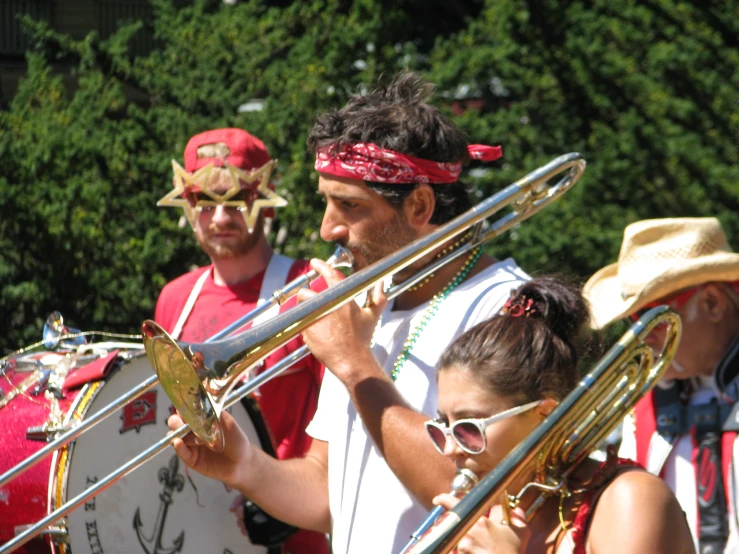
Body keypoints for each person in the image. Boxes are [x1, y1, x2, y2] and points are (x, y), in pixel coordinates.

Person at [167, 72, 530, 553]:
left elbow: (474, 498)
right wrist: (244, 465)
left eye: (348, 205)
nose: (326, 229)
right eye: (326, 202)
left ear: (419, 204)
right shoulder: (368, 307)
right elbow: (326, 489)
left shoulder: (509, 307)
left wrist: (354, 363)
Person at [155, 128, 329, 554]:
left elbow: (348, 429)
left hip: (292, 534)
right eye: (204, 202)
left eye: (236, 201)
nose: (219, 218)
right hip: (195, 530)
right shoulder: (174, 299)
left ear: (265, 204)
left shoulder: (310, 289)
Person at [431, 277, 695, 554]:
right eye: (442, 428)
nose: (450, 449)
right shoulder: (486, 519)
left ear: (544, 414)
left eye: (468, 428)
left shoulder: (629, 499)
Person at [583, 217, 739, 554]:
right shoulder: (640, 406)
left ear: (712, 302)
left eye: (654, 317)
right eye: (632, 320)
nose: (641, 336)